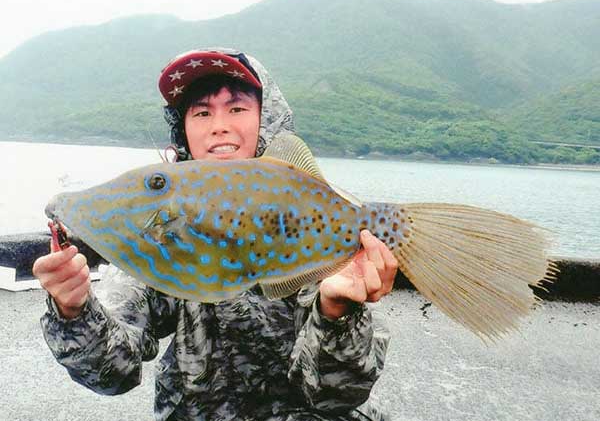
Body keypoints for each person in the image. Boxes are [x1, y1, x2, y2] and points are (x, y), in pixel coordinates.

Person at [33, 48, 398, 421]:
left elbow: (337, 395)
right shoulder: (166, 221)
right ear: (184, 129)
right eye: (202, 112)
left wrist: (337, 311)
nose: (218, 125)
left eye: (237, 108)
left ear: (265, 119)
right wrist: (74, 309)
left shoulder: (311, 213)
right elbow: (113, 371)